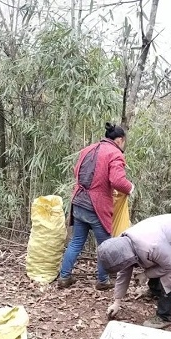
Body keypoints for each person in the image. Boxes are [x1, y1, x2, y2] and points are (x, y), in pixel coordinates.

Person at [57, 122, 134, 290]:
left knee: (76, 242)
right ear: (120, 140)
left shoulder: (88, 149)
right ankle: (103, 281)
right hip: (97, 206)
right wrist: (130, 188)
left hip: (79, 201)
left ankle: (64, 277)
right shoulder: (115, 153)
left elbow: (76, 171)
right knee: (104, 246)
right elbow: (118, 181)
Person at [97, 213, 171, 329]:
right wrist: (117, 302)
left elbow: (170, 266)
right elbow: (124, 272)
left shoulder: (152, 246)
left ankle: (164, 316)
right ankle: (155, 291)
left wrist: (145, 274)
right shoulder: (121, 244)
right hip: (165, 240)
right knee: (155, 261)